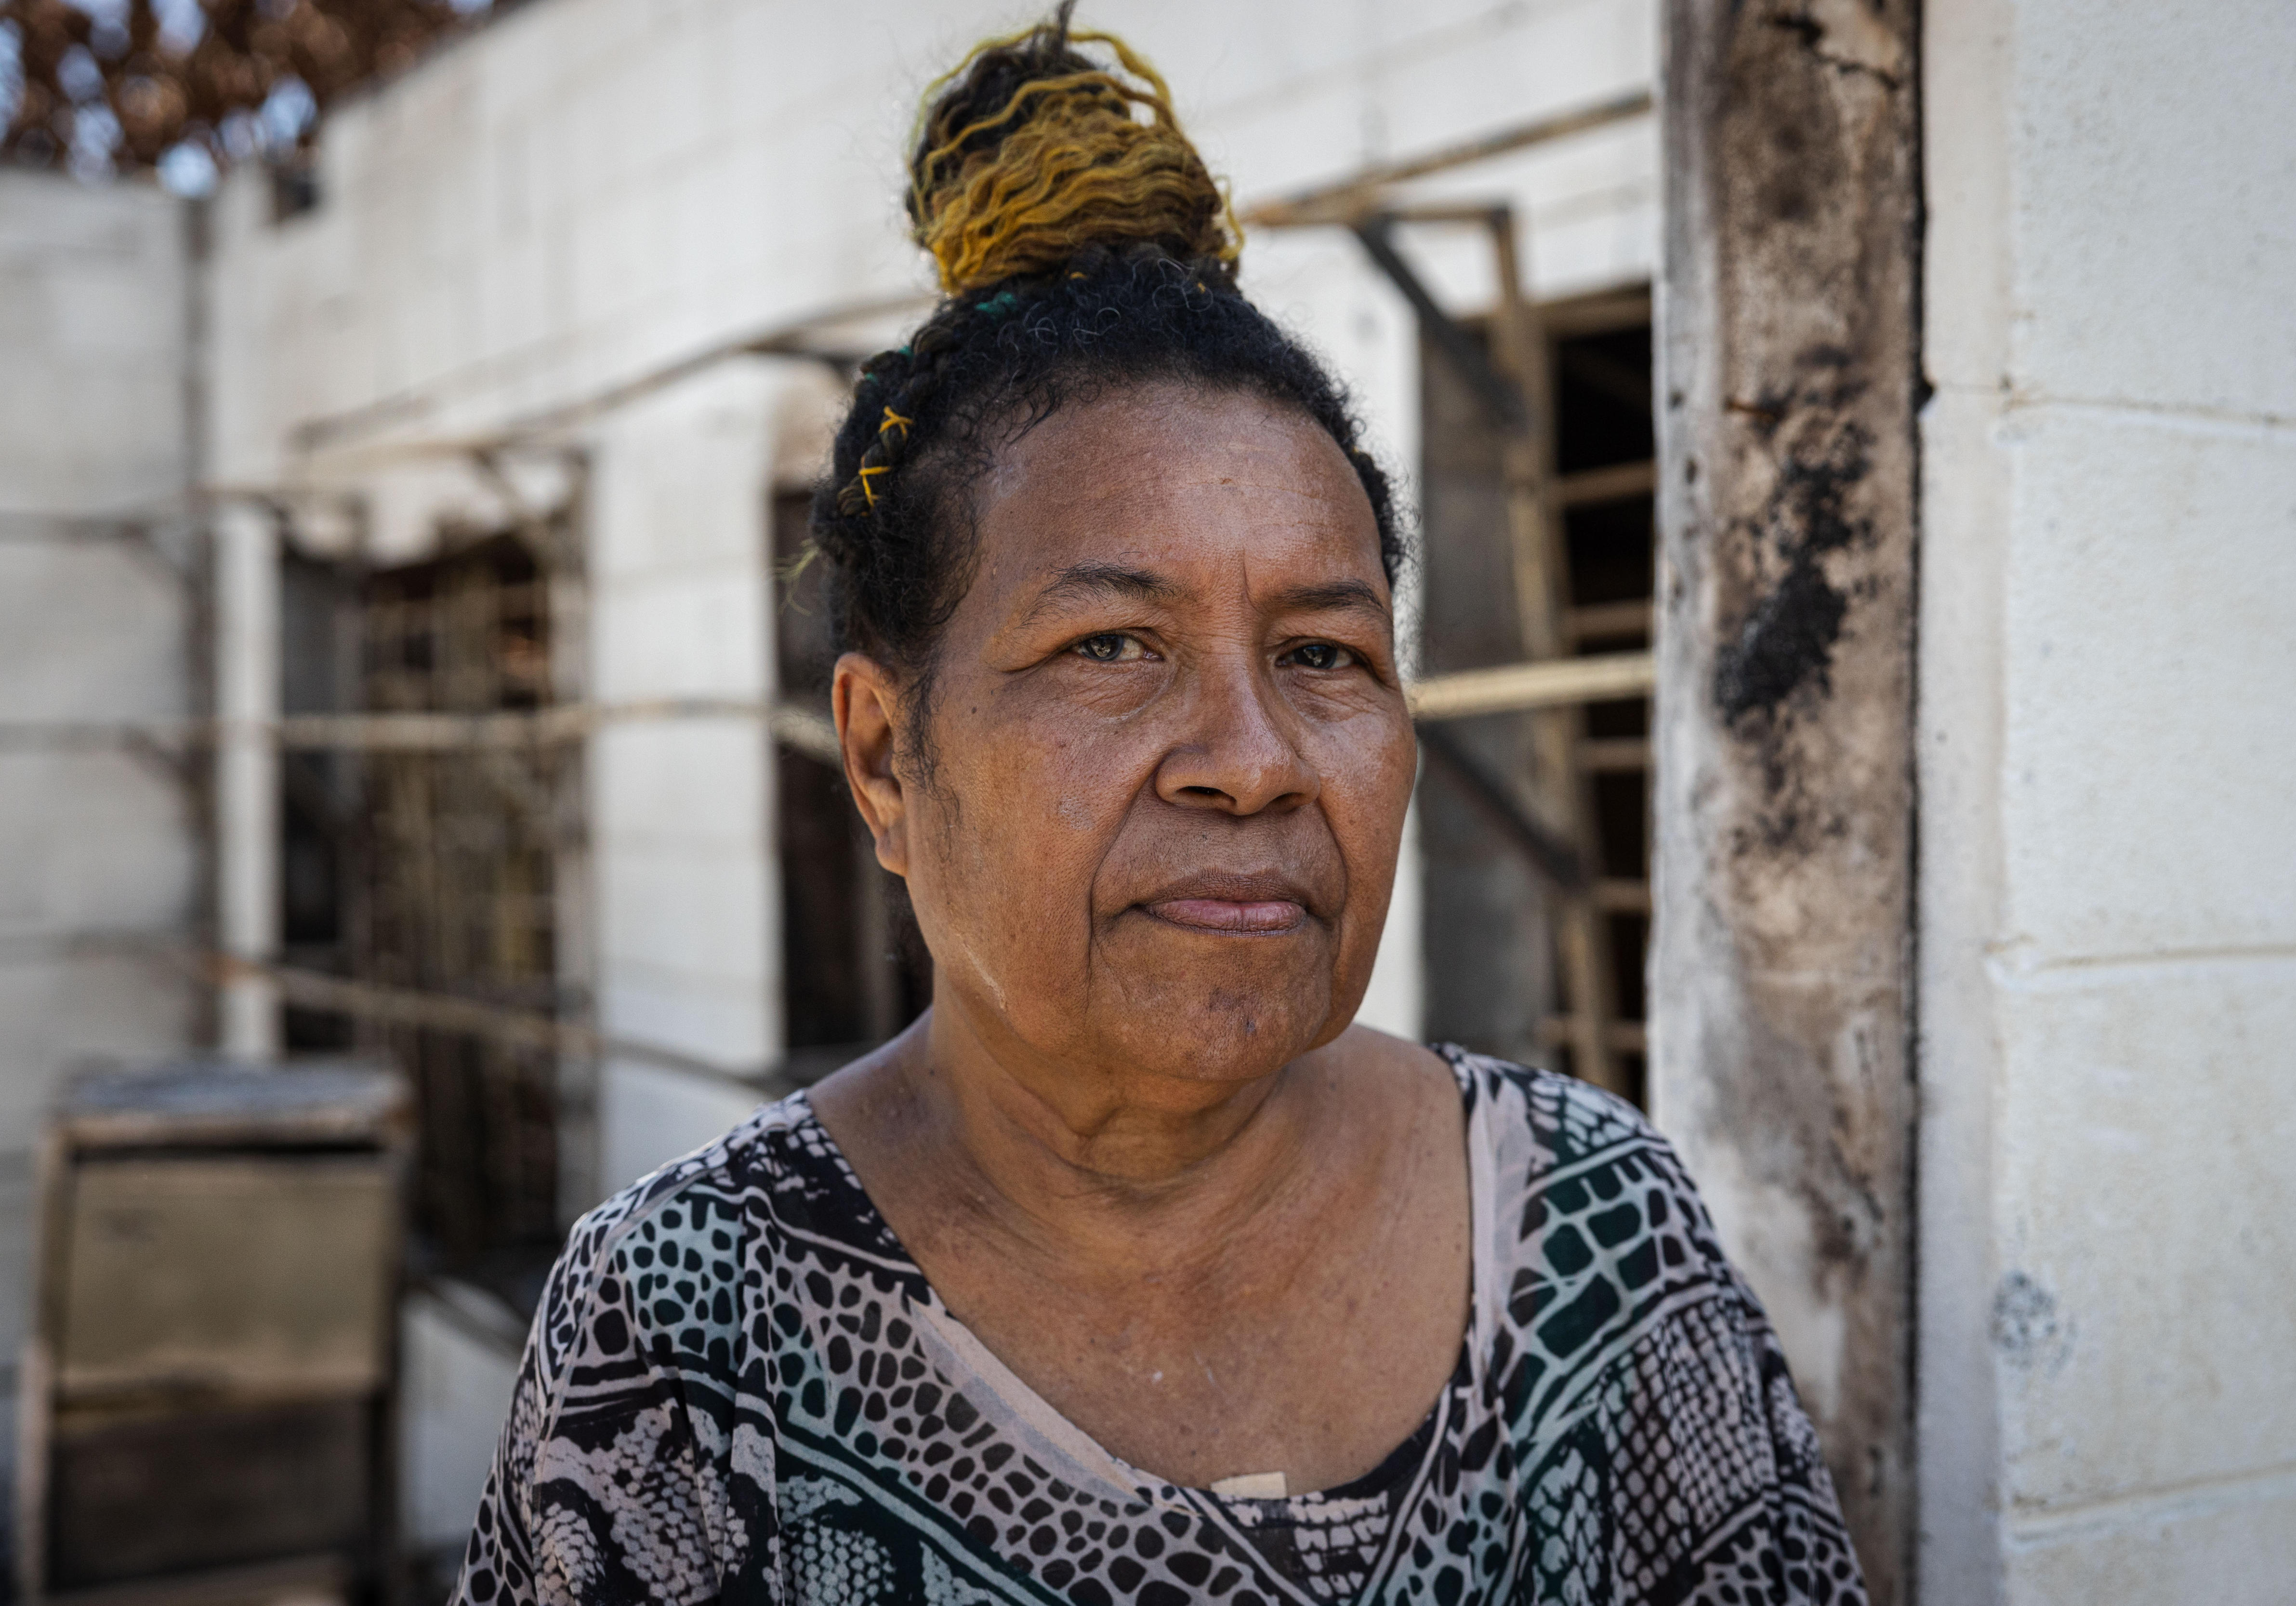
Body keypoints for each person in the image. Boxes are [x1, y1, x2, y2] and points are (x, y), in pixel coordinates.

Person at [453, 10, 1865, 1603]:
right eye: (1113, 646)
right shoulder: (683, 1337)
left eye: (1323, 652)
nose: (1253, 760)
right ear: (882, 757)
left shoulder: (1596, 1236)